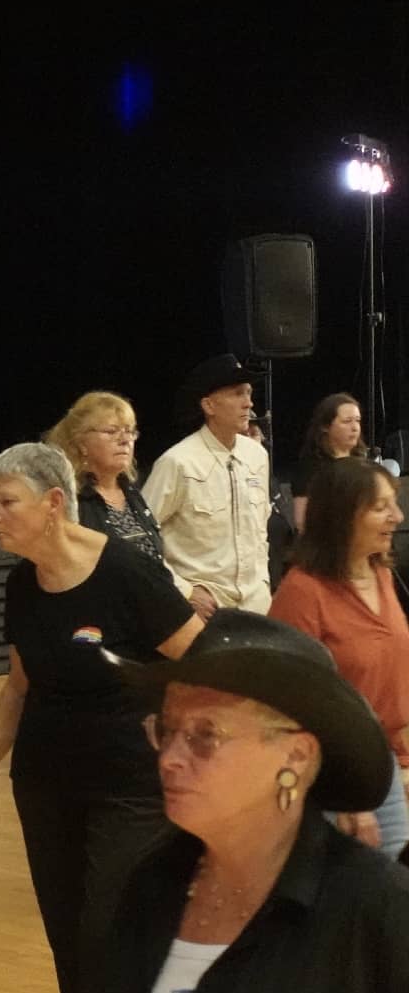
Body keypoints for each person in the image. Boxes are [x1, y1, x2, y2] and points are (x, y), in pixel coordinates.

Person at [0, 442, 203, 993]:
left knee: (109, 932)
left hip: (131, 788)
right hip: (46, 786)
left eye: (7, 501)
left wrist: (185, 741)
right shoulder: (23, 586)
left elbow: (203, 660)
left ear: (54, 502)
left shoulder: (127, 573)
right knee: (69, 939)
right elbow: (17, 686)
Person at [83, 609, 409, 993]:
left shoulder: (374, 906)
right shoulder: (151, 884)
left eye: (205, 735)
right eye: (167, 729)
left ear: (295, 755)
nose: (169, 758)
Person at [268, 456, 409, 856]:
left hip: (383, 763)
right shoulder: (302, 592)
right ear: (344, 516)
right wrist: (343, 794)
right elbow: (292, 707)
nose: (397, 516)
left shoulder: (379, 573)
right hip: (335, 777)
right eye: (381, 507)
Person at [141, 353, 274, 616]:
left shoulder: (257, 455)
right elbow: (140, 538)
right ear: (209, 406)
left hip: (256, 606)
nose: (249, 403)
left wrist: (263, 582)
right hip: (202, 609)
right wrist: (184, 590)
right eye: (237, 393)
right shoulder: (178, 463)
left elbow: (260, 531)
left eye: (249, 393)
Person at [45, 391, 169, 570]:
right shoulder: (68, 499)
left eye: (129, 431)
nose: (125, 440)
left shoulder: (131, 492)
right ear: (81, 443)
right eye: (111, 431)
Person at [291, 392, 363, 532]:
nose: (355, 428)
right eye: (347, 421)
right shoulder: (311, 468)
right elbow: (302, 522)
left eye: (358, 420)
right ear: (325, 426)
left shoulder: (363, 463)